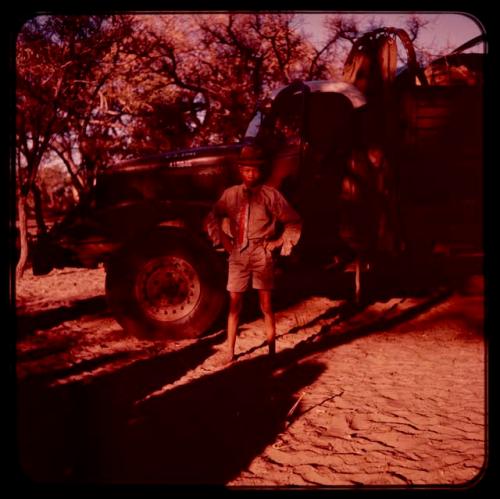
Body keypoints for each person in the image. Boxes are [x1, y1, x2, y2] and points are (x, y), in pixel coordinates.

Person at [210, 144, 302, 364]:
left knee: (266, 305)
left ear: (262, 171)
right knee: (234, 305)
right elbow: (214, 217)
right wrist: (226, 243)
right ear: (240, 170)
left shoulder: (271, 195)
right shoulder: (230, 195)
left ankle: (271, 351)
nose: (250, 174)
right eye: (246, 169)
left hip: (261, 254)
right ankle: (230, 352)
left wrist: (278, 242)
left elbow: (293, 221)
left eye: (255, 170)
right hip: (238, 254)